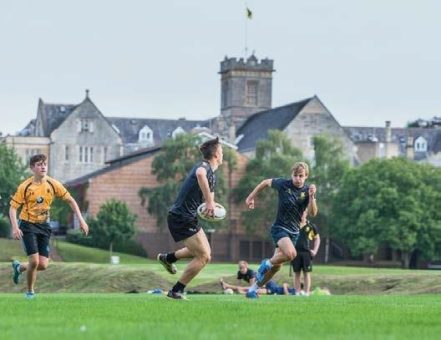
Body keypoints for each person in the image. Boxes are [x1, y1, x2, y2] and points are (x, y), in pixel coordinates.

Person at [9, 154, 89, 299]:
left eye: (44, 164)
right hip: (27, 225)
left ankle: (19, 267)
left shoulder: (52, 184)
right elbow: (13, 208)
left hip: (44, 226)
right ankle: (30, 292)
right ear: (32, 168)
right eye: (39, 164)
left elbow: (70, 200)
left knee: (43, 265)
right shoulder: (25, 186)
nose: (43, 166)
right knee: (34, 261)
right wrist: (15, 227)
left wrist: (82, 220)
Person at [157, 137, 223, 300]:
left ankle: (168, 258)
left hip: (186, 217)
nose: (223, 154)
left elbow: (209, 203)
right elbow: (200, 175)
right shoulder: (204, 167)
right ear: (215, 154)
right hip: (182, 217)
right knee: (204, 256)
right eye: (221, 151)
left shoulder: (212, 177)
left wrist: (212, 206)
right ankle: (176, 291)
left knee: (200, 251)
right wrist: (208, 202)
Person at [244, 162, 318, 298]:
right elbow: (265, 182)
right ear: (291, 175)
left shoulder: (307, 191)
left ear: (306, 176)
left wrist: (312, 197)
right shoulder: (283, 184)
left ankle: (252, 290)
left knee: (276, 267)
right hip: (280, 228)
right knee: (291, 254)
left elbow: (313, 213)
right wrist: (251, 197)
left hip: (294, 233)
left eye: (301, 176)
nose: (298, 178)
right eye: (295, 175)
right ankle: (265, 263)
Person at [291, 211, 320, 296]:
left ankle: (306, 293)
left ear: (306, 213)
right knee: (296, 273)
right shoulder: (293, 225)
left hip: (306, 253)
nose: (301, 214)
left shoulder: (311, 226)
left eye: (303, 212)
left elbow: (317, 238)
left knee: (306, 273)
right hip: (295, 253)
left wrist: (315, 250)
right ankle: (297, 292)